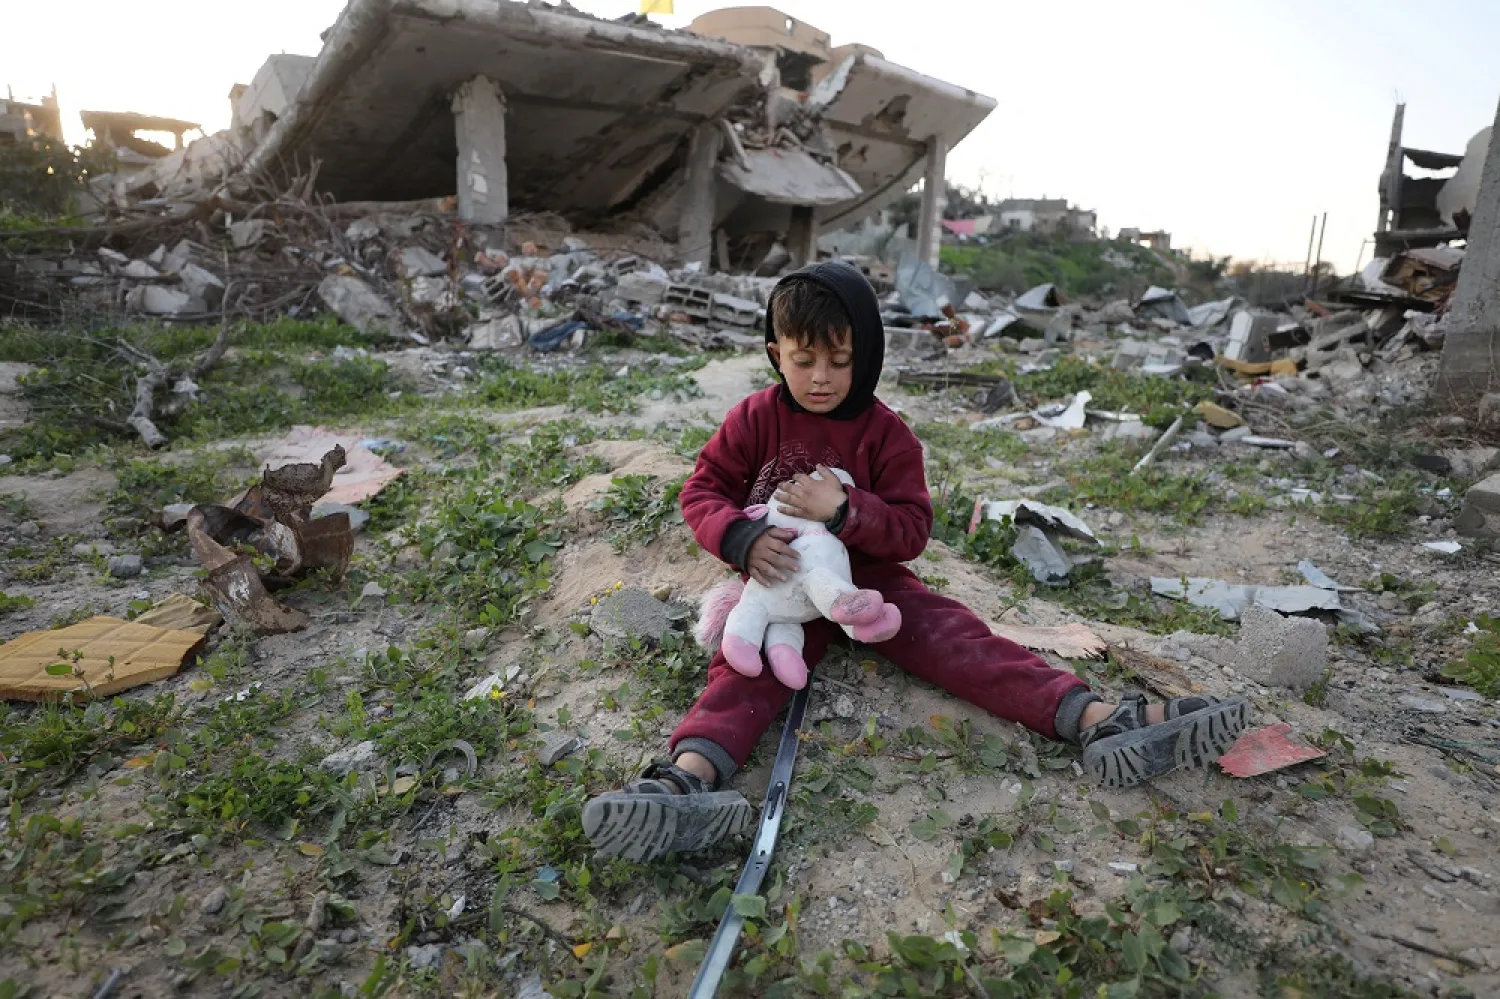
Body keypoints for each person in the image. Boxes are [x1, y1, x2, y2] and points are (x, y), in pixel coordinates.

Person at [581, 261, 1249, 863]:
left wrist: (844, 511)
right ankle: (685, 782)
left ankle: (1101, 720)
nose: (820, 376)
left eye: (839, 360)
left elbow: (910, 529)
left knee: (951, 635)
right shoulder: (754, 417)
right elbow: (702, 490)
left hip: (865, 581)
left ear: (865, 356)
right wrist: (741, 541)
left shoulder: (886, 434)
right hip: (778, 577)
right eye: (803, 357)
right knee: (742, 667)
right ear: (774, 353)